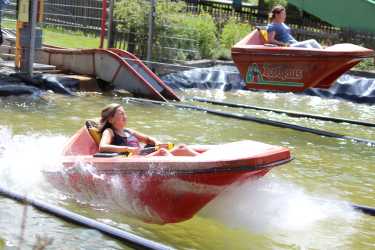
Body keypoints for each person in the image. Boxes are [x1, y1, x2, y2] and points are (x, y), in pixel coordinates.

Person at [98, 103, 199, 156]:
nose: (125, 116)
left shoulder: (129, 131)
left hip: (144, 158)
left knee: (181, 147)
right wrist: (128, 149)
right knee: (162, 152)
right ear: (111, 119)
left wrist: (157, 142)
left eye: (125, 113)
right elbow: (103, 147)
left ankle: (204, 160)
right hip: (134, 163)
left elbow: (147, 139)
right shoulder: (110, 132)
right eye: (121, 114)